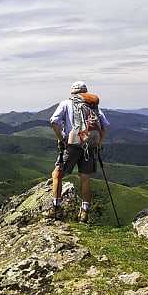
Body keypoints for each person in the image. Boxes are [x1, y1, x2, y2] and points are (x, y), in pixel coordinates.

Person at [43, 80, 110, 223]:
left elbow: (53, 121)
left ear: (72, 92)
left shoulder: (66, 103)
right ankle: (84, 212)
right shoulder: (92, 106)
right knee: (85, 178)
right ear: (85, 93)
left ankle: (56, 209)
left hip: (72, 144)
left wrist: (61, 139)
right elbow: (105, 125)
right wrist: (99, 143)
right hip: (89, 145)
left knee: (57, 174)